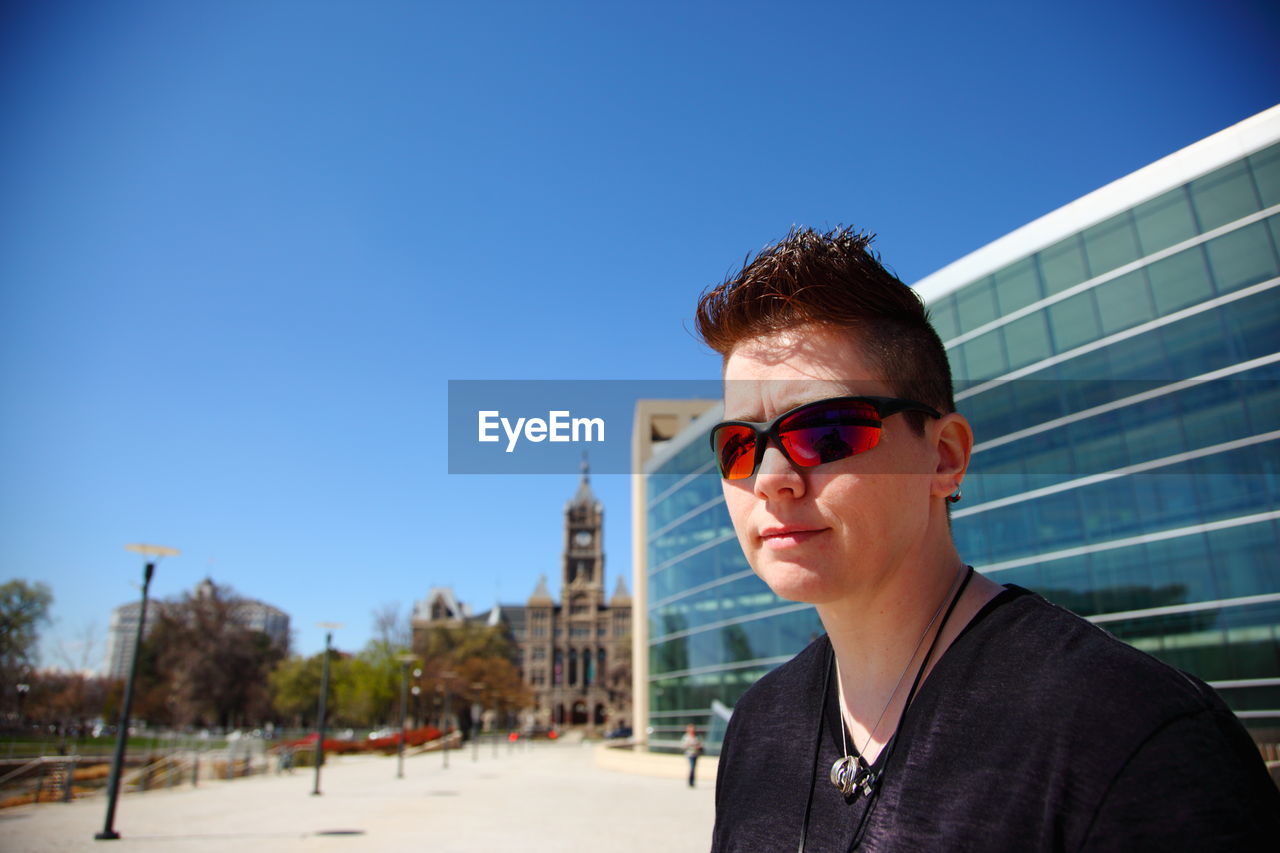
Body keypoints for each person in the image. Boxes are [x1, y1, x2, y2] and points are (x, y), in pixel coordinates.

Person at [696, 227, 1279, 851]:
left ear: (944, 457)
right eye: (740, 447)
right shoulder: (757, 727)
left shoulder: (1134, 738)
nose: (771, 479)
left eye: (827, 431)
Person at [681, 723, 704, 788]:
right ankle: (690, 782)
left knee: (694, 768)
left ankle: (692, 781)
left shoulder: (697, 737)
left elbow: (701, 744)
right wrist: (689, 745)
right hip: (689, 754)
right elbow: (683, 746)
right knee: (692, 768)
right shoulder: (686, 737)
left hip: (696, 754)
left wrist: (698, 747)